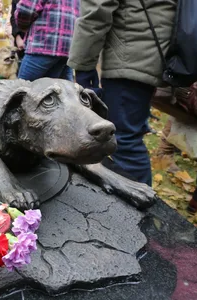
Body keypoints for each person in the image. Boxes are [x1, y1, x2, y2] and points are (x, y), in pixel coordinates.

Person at [68, 0, 177, 186]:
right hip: (146, 53)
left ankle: (140, 208)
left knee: (124, 142)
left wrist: (83, 66)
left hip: (132, 56)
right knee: (129, 137)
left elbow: (97, 10)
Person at [15, 0, 78, 81]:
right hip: (67, 47)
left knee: (22, 89)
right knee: (64, 91)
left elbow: (25, 10)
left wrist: (22, 27)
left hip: (43, 45)